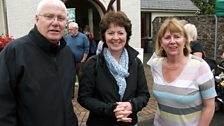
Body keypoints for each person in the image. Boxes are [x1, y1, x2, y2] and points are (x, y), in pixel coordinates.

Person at [0, 0, 78, 126]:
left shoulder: (67, 53)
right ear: (37, 19)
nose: (55, 23)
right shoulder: (15, 52)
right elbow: (3, 106)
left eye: (61, 18)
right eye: (49, 17)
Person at [77, 11, 150, 126]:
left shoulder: (136, 63)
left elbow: (144, 95)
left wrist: (131, 105)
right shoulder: (93, 64)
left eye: (120, 33)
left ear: (127, 35)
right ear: (104, 36)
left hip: (129, 123)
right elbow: (84, 98)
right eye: (111, 33)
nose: (116, 38)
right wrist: (111, 109)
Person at [147, 18, 217, 126]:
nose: (172, 41)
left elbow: (209, 106)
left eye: (177, 36)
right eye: (167, 37)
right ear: (161, 42)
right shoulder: (156, 65)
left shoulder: (200, 66)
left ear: (185, 41)